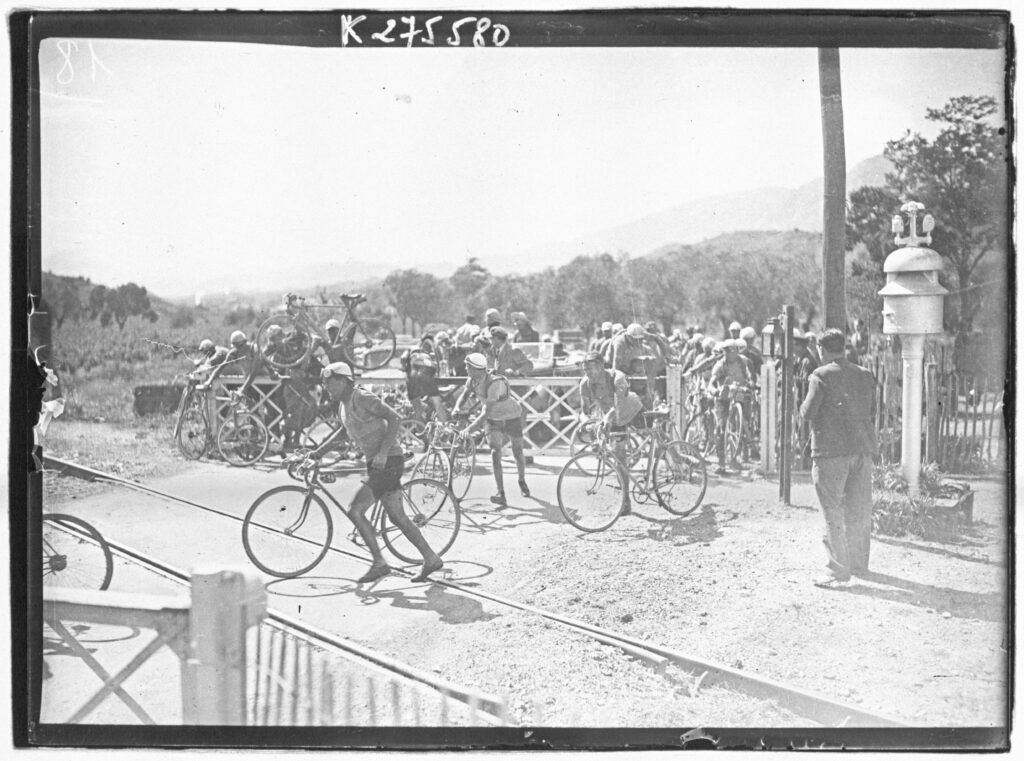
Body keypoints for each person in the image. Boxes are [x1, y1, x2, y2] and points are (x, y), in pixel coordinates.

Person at [311, 362, 443, 583]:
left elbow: (394, 418)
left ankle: (379, 564)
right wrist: (316, 452)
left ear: (343, 381)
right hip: (379, 463)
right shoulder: (344, 405)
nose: (326, 388)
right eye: (324, 384)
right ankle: (431, 559)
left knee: (355, 510)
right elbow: (343, 433)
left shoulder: (360, 397)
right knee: (398, 517)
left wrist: (382, 453)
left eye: (330, 383)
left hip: (388, 461)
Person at [798, 329, 878, 587]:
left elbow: (808, 413)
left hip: (830, 453)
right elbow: (873, 410)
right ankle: (859, 565)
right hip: (862, 451)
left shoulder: (820, 375)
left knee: (832, 511)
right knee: (859, 509)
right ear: (843, 347)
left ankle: (837, 570)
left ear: (822, 349)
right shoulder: (865, 375)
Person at [452, 352, 528, 507]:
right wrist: (456, 407)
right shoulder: (472, 380)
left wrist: (469, 429)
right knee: (495, 453)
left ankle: (522, 480)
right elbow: (464, 395)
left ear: (476, 368)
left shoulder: (494, 383)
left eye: (468, 366)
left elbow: (485, 413)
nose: (465, 368)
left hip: (511, 416)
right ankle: (501, 492)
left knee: (517, 451)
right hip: (493, 420)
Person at [578, 351, 644, 513]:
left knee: (655, 438)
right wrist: (585, 423)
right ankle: (626, 501)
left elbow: (618, 404)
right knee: (618, 457)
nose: (588, 374)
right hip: (613, 418)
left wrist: (606, 419)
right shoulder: (585, 384)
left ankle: (679, 459)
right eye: (585, 370)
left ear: (601, 367)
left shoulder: (617, 377)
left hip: (631, 411)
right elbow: (584, 411)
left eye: (591, 370)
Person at [707, 339, 753, 474]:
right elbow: (711, 383)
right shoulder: (720, 365)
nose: (729, 354)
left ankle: (735, 459)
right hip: (723, 399)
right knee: (721, 429)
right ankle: (721, 463)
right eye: (726, 351)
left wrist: (750, 383)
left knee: (740, 428)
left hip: (739, 396)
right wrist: (714, 390)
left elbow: (750, 377)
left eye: (732, 351)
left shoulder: (743, 363)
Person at [406, 352, 449, 424]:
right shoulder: (425, 357)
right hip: (425, 374)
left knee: (418, 409)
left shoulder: (413, 358)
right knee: (437, 404)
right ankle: (444, 428)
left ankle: (420, 432)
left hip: (412, 377)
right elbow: (433, 370)